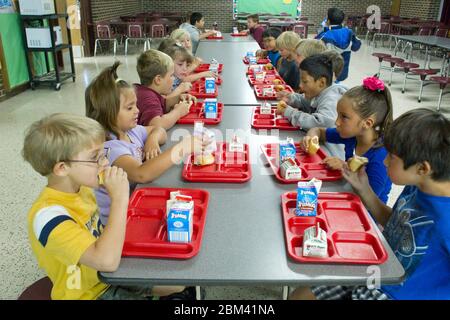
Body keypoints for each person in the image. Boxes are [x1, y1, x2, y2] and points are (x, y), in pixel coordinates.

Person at [23, 113, 190, 300]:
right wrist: (119, 199)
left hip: (107, 276)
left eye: (104, 154)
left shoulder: (82, 187)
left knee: (179, 284)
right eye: (96, 157)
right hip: (89, 293)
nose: (105, 162)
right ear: (62, 168)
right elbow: (106, 262)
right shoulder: (48, 216)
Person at [291, 108, 450, 300]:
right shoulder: (417, 186)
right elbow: (396, 223)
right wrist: (364, 188)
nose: (384, 161)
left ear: (422, 168)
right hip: (376, 267)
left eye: (391, 156)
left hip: (392, 293)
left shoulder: (445, 218)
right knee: (300, 295)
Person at [85, 61, 204, 225]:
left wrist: (152, 139)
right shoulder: (109, 149)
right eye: (129, 108)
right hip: (120, 224)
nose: (137, 111)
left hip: (138, 205)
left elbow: (159, 131)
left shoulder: (130, 130)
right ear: (107, 113)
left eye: (135, 105)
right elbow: (142, 174)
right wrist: (181, 148)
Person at [302, 76, 393, 204]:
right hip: (346, 196)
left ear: (367, 123)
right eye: (338, 114)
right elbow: (318, 131)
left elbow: (368, 202)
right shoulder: (353, 135)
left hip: (369, 218)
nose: (336, 122)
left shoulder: (380, 158)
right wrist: (311, 137)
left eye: (344, 117)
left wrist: (344, 168)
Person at [276, 54, 347, 131]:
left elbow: (321, 123)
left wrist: (290, 113)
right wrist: (290, 98)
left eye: (305, 81)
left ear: (322, 82)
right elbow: (304, 100)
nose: (300, 85)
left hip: (325, 143)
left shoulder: (331, 98)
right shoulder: (318, 92)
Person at [135, 49, 196, 129]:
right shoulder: (148, 98)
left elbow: (163, 104)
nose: (173, 79)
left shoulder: (145, 91)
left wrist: (178, 98)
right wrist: (178, 112)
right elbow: (157, 125)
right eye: (171, 76)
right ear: (158, 80)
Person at [316, 7, 361, 82]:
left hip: (327, 73)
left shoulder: (325, 35)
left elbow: (314, 49)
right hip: (342, 72)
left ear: (328, 20)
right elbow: (356, 47)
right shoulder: (349, 32)